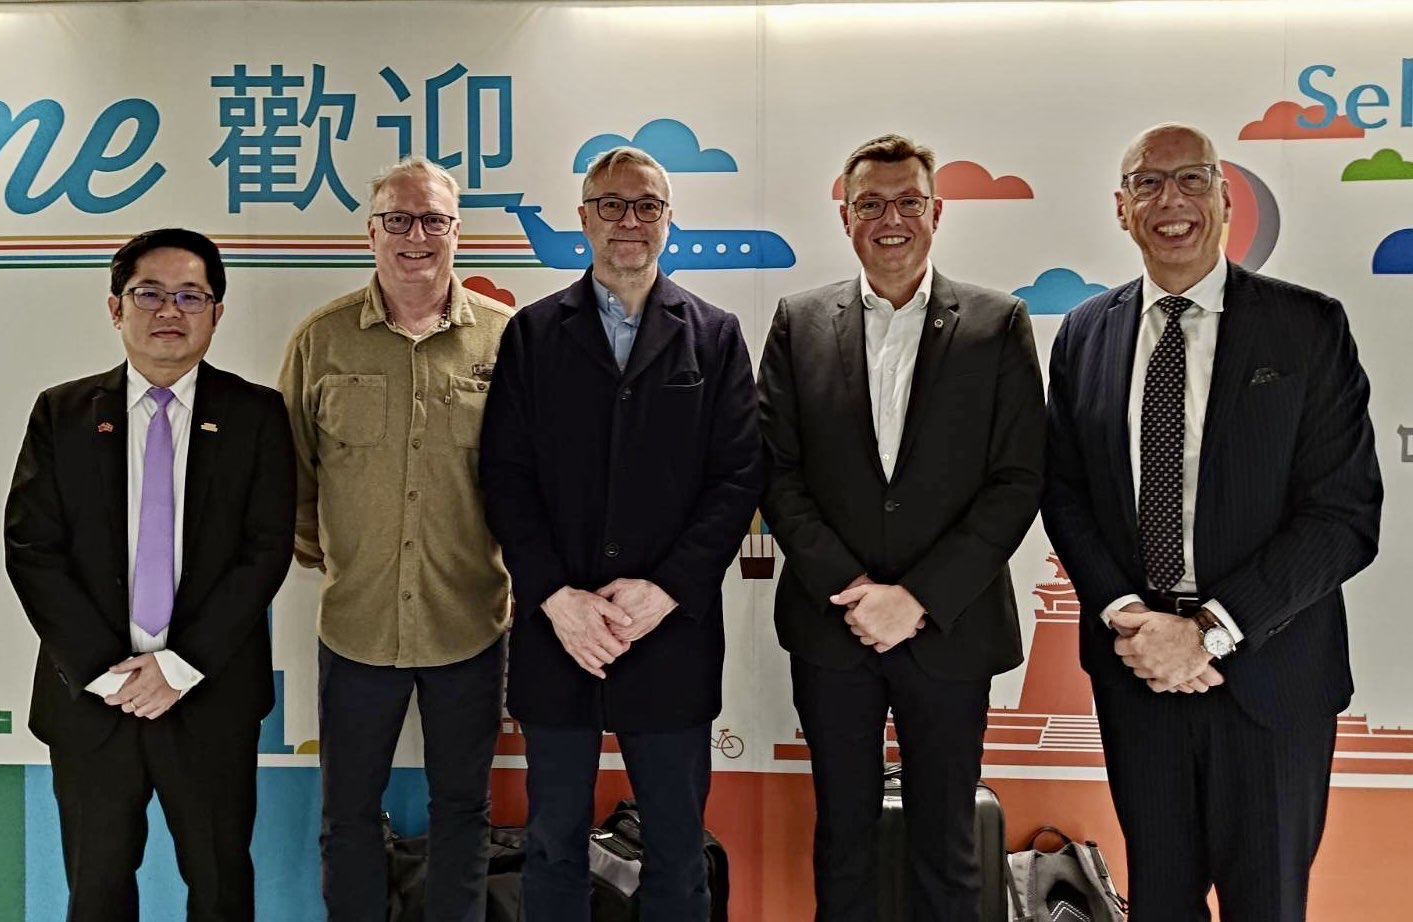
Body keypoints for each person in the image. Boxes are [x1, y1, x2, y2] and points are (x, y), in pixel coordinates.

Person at [1040, 122, 1382, 921]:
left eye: (1191, 179)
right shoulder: (1084, 333)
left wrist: (1209, 631)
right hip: (1138, 678)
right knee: (1159, 903)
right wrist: (1129, 617)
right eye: (1147, 183)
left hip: (1269, 679)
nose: (1171, 201)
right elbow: (1064, 492)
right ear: (1121, 208)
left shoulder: (1306, 327)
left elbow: (1341, 516)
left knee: (1266, 904)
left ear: (1226, 200)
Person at [757, 133, 1046, 921]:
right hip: (832, 628)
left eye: (908, 202)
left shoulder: (997, 323)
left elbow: (1017, 478)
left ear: (936, 212)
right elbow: (776, 473)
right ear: (845, 215)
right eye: (871, 203)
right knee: (842, 841)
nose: (891, 219)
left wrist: (917, 598)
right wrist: (853, 590)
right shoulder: (797, 321)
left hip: (952, 627)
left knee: (947, 846)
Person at [478, 146, 762, 921]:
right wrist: (553, 597)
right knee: (552, 847)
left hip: (670, 634)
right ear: (583, 219)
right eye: (610, 204)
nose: (628, 221)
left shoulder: (713, 335)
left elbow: (738, 477)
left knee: (675, 849)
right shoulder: (534, 333)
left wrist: (666, 589)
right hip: (558, 634)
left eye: (646, 205)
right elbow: (504, 475)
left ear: (669, 220)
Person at [4, 228, 296, 921]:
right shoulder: (63, 412)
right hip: (93, 700)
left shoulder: (255, 414)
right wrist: (108, 671)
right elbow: (32, 547)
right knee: (97, 892)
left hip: (210, 694)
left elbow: (264, 551)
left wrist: (179, 664)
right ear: (116, 308)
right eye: (149, 294)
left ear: (216, 312)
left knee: (221, 888)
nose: (170, 310)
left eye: (191, 295)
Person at [277, 155, 513, 921]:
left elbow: (530, 481)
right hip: (357, 626)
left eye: (433, 220)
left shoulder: (505, 342)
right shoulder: (321, 341)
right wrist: (337, 557)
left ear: (457, 232)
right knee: (348, 814)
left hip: (469, 623)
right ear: (371, 232)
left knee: (463, 810)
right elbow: (291, 477)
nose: (417, 236)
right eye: (399, 219)